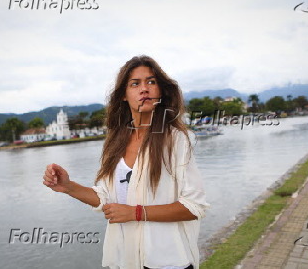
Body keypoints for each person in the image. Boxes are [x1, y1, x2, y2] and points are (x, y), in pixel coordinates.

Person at [43, 55, 210, 269]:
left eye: (151, 82)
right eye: (135, 84)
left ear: (160, 91)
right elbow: (107, 198)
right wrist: (68, 186)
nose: (144, 89)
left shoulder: (175, 139)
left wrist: (136, 213)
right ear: (124, 94)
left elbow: (194, 206)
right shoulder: (115, 141)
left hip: (168, 262)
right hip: (125, 260)